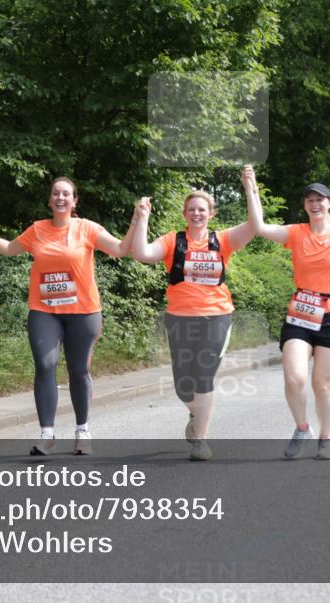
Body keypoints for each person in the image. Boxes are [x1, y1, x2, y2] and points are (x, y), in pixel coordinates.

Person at [0, 178, 132, 457]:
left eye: (66, 194)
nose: (60, 197)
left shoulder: (87, 228)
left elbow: (121, 250)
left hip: (83, 311)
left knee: (79, 371)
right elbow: (7, 248)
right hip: (44, 310)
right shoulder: (37, 230)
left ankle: (82, 430)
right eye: (55, 193)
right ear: (50, 200)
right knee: (45, 363)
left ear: (74, 201)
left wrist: (137, 219)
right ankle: (47, 435)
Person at [245, 142, 330, 460]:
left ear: (329, 203)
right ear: (305, 206)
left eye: (320, 199)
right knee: (294, 378)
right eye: (310, 200)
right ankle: (302, 428)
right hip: (301, 311)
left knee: (322, 384)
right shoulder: (296, 232)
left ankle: (326, 438)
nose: (315, 204)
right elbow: (259, 227)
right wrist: (251, 189)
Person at [127, 170, 255, 461]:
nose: (197, 213)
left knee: (203, 376)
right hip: (179, 318)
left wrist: (249, 189)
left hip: (216, 316)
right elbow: (142, 253)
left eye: (202, 209)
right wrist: (143, 216)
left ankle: (201, 440)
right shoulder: (174, 240)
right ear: (185, 214)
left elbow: (253, 226)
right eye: (192, 209)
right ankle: (194, 414)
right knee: (183, 385)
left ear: (211, 213)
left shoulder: (223, 239)